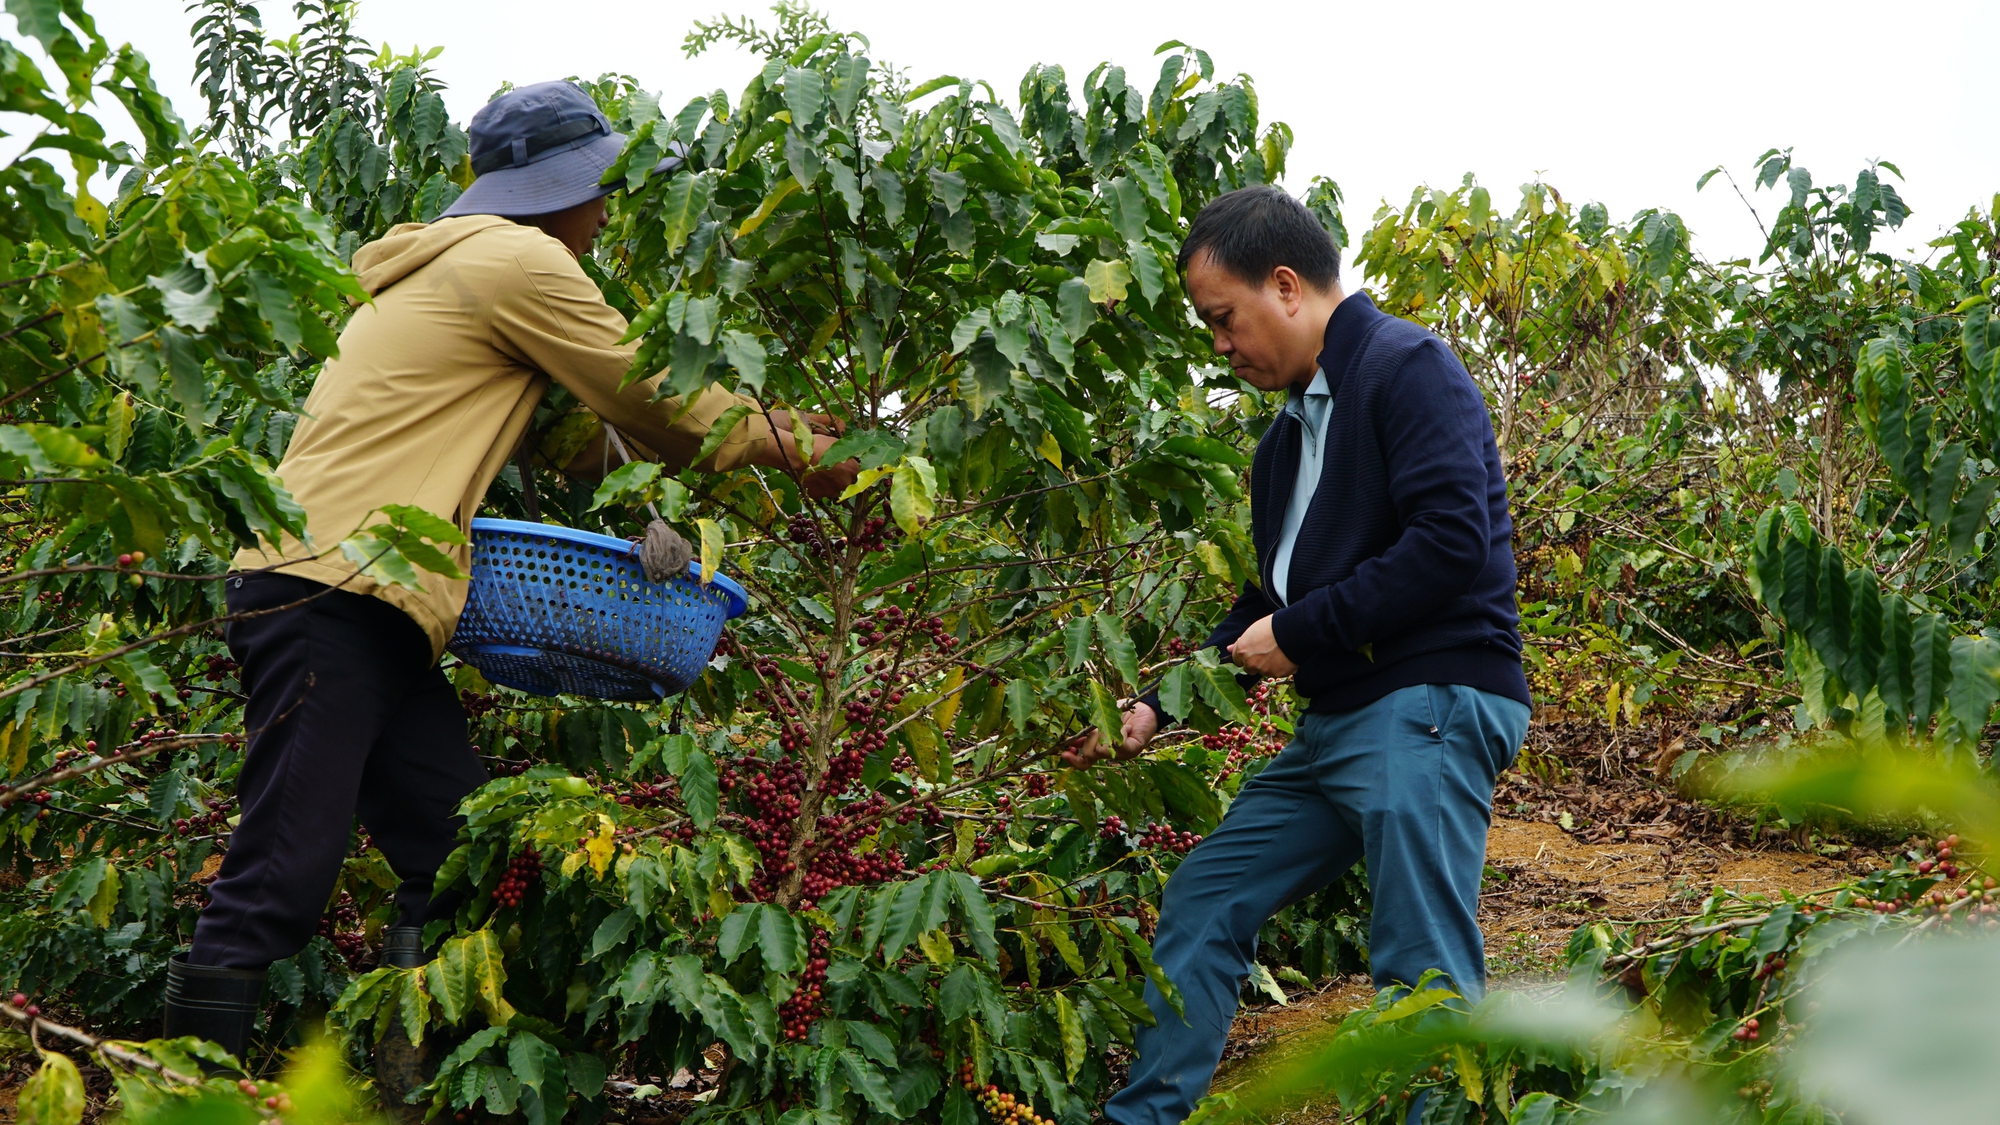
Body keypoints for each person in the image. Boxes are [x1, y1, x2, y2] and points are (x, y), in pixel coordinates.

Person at [162, 81, 858, 1058]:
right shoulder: (517, 259)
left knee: (451, 858)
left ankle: (413, 1083)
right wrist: (790, 445)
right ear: (554, 189)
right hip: (329, 589)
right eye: (599, 190)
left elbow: (576, 436)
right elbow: (662, 401)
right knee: (282, 870)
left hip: (378, 601)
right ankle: (174, 1095)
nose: (606, 213)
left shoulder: (453, 270)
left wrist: (670, 492)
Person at [1068, 185, 1531, 1125]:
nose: (1220, 345)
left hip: (1429, 700)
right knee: (1206, 895)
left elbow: (1450, 542)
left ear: (1286, 285)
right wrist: (1160, 702)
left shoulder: (1409, 367)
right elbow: (1269, 605)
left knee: (1419, 962)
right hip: (1338, 721)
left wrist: (1304, 632)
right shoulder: (1285, 443)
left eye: (1223, 318)